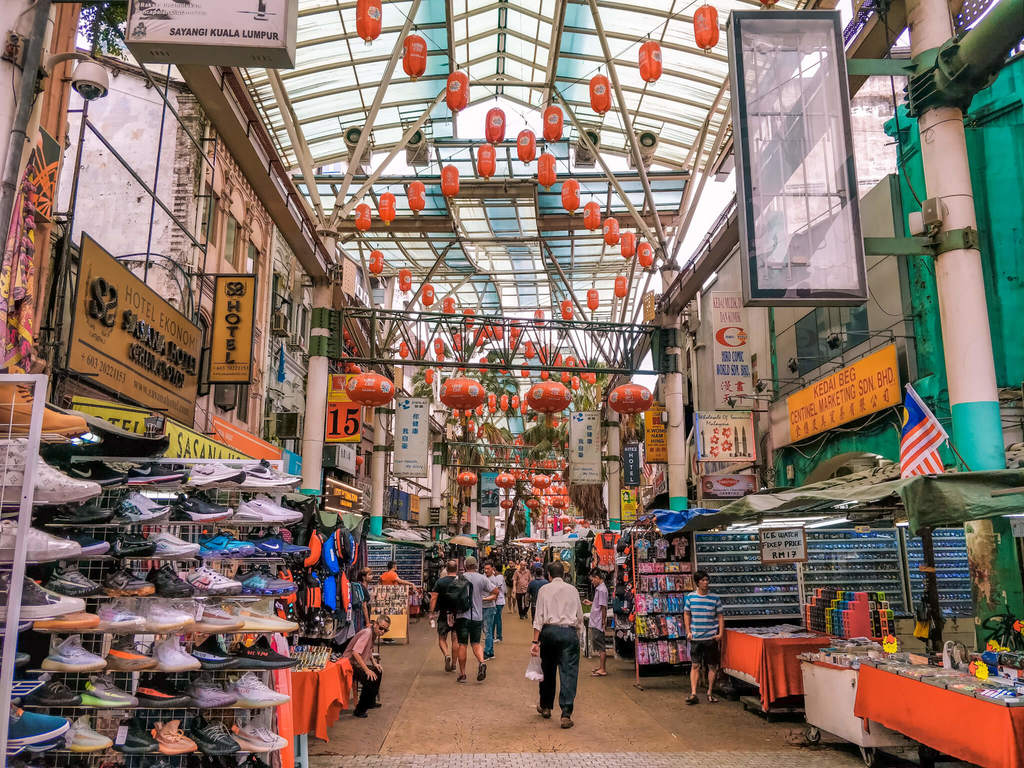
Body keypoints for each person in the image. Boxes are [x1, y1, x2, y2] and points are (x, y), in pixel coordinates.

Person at [531, 560, 584, 729]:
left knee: (547, 670)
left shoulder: (544, 590)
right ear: (564, 574)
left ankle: (546, 706)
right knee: (569, 673)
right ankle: (566, 713)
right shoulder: (573, 590)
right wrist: (579, 637)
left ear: (549, 575)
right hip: (569, 633)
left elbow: (538, 617)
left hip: (549, 633)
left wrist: (534, 641)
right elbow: (580, 616)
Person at [683, 569, 725, 705]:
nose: (706, 583)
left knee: (712, 666)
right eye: (703, 580)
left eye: (707, 580)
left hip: (711, 637)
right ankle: (694, 692)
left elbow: (720, 616)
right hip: (696, 637)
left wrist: (720, 633)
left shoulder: (715, 598)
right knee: (695, 665)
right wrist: (688, 631)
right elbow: (687, 614)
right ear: (697, 583)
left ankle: (710, 692)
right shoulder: (690, 597)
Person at [455, 556, 498, 683]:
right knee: (476, 643)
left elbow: (453, 596)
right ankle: (482, 662)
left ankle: (463, 674)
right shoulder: (482, 578)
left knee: (462, 644)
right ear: (476, 566)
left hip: (462, 616)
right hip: (477, 616)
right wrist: (485, 599)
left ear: (465, 566)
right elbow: (496, 592)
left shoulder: (459, 578)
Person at [344, 615, 391, 718]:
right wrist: (366, 670)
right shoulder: (367, 633)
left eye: (385, 630)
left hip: (357, 663)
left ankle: (371, 702)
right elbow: (355, 653)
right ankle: (360, 710)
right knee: (369, 678)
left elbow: (369, 649)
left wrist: (374, 664)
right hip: (349, 664)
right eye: (381, 628)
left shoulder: (373, 633)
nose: (382, 631)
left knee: (378, 671)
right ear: (375, 624)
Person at [429, 560, 459, 672]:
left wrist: (431, 613)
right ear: (456, 569)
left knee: (442, 638)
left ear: (446, 569)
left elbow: (433, 598)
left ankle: (447, 655)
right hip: (457, 614)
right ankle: (454, 665)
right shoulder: (461, 581)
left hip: (443, 613)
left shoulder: (440, 582)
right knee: (455, 639)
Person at [583, 569, 609, 677]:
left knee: (600, 644)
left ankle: (603, 669)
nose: (592, 581)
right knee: (598, 643)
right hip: (596, 620)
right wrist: (591, 603)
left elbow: (603, 607)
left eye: (593, 579)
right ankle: (601, 667)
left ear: (597, 578)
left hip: (598, 621)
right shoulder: (599, 589)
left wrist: (603, 621)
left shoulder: (602, 590)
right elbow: (600, 604)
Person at [480, 562, 500, 660]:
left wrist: (484, 599)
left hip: (489, 607)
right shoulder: (483, 577)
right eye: (485, 568)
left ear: (492, 569)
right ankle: (490, 651)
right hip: (483, 607)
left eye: (488, 568)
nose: (486, 570)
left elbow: (496, 595)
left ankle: (487, 652)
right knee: (488, 630)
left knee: (487, 630)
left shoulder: (494, 580)